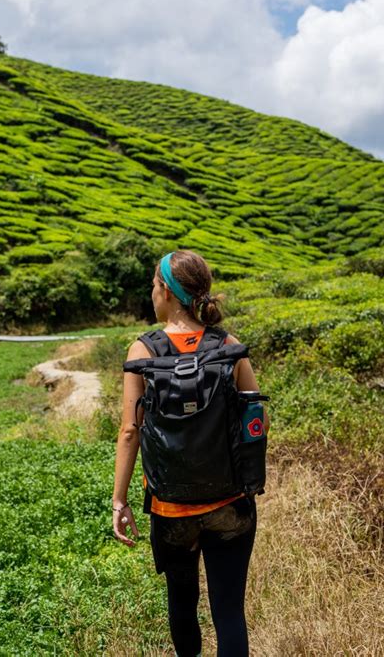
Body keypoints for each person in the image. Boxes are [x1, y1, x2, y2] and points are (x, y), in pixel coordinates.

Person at [113, 249, 270, 657]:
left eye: (154, 285)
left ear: (166, 291)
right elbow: (259, 418)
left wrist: (119, 501)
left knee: (182, 606)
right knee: (229, 613)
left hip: (171, 509)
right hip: (230, 504)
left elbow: (130, 431)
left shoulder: (142, 352)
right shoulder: (228, 345)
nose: (152, 292)